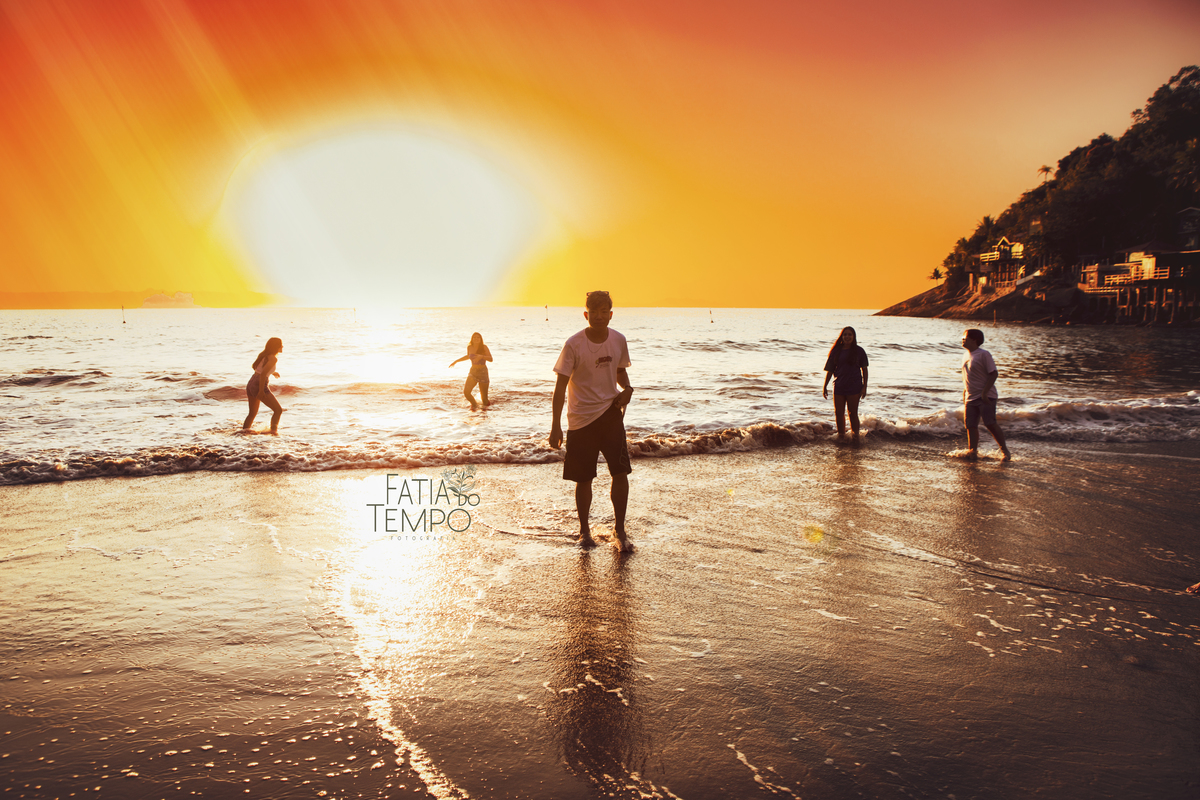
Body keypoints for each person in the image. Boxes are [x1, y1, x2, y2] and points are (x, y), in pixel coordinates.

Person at [549, 291, 634, 552]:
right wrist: (555, 426)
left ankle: (620, 530)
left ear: (610, 314)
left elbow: (619, 371)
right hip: (581, 419)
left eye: (603, 312)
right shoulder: (574, 344)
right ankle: (584, 532)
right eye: (593, 312)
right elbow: (560, 387)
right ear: (586, 314)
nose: (598, 316)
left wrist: (627, 388)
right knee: (583, 478)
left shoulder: (618, 339)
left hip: (610, 414)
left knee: (620, 472)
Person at [960, 328, 1011, 460]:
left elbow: (994, 373)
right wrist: (965, 393)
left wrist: (984, 393)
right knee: (970, 425)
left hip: (986, 396)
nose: (962, 339)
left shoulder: (984, 354)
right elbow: (968, 376)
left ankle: (1005, 452)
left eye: (965, 337)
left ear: (974, 340)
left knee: (990, 423)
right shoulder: (966, 355)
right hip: (970, 396)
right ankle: (973, 452)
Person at [822, 326, 869, 441]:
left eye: (850, 335)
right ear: (842, 337)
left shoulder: (859, 351)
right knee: (838, 413)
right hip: (839, 386)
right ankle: (841, 436)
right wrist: (825, 386)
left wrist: (864, 387)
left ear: (853, 337)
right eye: (845, 335)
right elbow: (830, 370)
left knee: (852, 413)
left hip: (854, 386)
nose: (847, 337)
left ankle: (856, 437)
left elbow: (865, 370)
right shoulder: (836, 351)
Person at [243, 337, 284, 434]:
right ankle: (273, 433)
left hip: (251, 382)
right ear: (276, 346)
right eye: (280, 344)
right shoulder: (273, 358)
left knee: (252, 413)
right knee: (278, 410)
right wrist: (261, 391)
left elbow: (257, 368)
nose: (282, 346)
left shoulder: (264, 355)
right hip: (259, 384)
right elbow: (262, 374)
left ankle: (243, 433)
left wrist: (272, 372)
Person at [450, 332, 493, 410]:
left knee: (484, 400)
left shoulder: (484, 347)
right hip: (473, 371)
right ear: (472, 339)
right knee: (466, 392)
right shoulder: (470, 347)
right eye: (474, 337)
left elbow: (491, 359)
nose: (476, 339)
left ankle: (487, 411)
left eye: (478, 337)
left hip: (483, 372)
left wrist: (482, 356)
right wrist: (456, 361)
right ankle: (475, 406)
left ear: (481, 339)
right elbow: (468, 356)